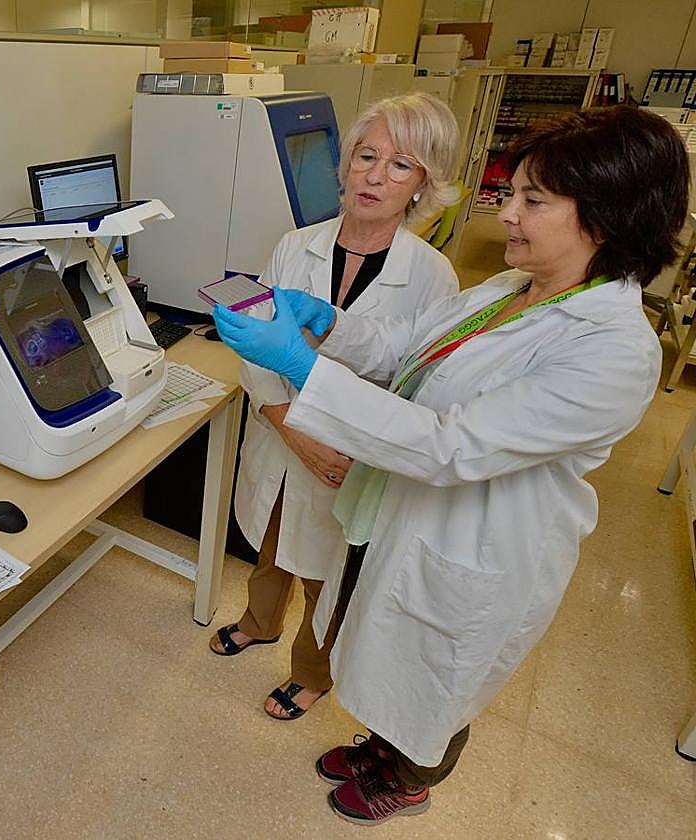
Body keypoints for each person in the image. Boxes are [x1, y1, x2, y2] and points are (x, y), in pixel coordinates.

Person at [212, 104, 685, 825]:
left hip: (479, 543)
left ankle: (411, 781)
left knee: (435, 677)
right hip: (405, 512)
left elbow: (448, 445)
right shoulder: (509, 290)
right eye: (512, 193)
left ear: (606, 218)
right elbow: (407, 350)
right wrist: (331, 324)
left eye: (532, 201)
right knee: (387, 650)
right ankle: (382, 750)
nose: (508, 214)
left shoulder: (612, 351)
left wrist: (305, 369)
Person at [208, 93, 460, 723]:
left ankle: (310, 671)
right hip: (280, 438)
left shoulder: (433, 277)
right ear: (345, 163)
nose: (375, 176)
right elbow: (255, 351)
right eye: (366, 156)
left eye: (400, 165)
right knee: (269, 543)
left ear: (424, 183)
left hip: (349, 458)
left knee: (330, 570)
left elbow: (411, 383)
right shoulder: (295, 246)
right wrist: (290, 428)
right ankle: (259, 622)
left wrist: (324, 436)